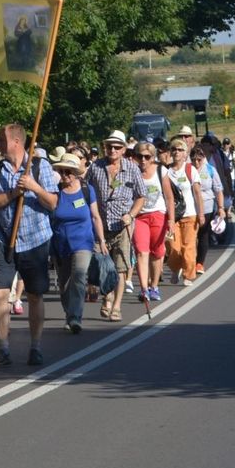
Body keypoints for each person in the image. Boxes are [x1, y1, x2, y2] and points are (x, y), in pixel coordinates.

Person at [0, 124, 60, 366]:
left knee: (35, 295)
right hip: (4, 239)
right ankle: (3, 348)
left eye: (1, 139)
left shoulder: (39, 166)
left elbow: (53, 203)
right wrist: (13, 194)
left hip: (35, 240)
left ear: (16, 142)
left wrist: (34, 187)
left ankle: (35, 346)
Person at [84, 130, 146, 322]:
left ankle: (116, 306)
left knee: (120, 268)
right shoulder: (95, 167)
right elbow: (86, 192)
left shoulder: (132, 168)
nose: (112, 149)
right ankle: (107, 296)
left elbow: (141, 196)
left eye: (117, 147)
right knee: (101, 266)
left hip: (122, 226)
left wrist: (131, 214)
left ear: (123, 149)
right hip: (100, 226)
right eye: (109, 146)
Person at [50, 153, 105, 333]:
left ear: (75, 172)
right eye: (62, 171)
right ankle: (69, 314)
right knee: (64, 284)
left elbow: (96, 217)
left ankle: (75, 318)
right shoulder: (55, 191)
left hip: (83, 243)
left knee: (79, 276)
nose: (65, 175)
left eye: (68, 171)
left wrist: (102, 241)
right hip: (60, 244)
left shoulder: (87, 190)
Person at [132, 140, 173, 302]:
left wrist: (171, 220)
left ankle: (154, 286)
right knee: (142, 251)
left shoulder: (160, 171)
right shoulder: (132, 171)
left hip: (158, 214)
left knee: (157, 252)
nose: (143, 160)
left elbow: (169, 197)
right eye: (139, 156)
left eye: (147, 157)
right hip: (140, 216)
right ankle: (143, 289)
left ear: (153, 157)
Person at [164, 137, 203, 287]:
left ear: (185, 153)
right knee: (173, 246)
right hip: (173, 216)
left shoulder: (190, 169)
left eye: (180, 150)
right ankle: (175, 268)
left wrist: (200, 214)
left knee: (189, 246)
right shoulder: (166, 172)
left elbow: (198, 193)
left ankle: (188, 274)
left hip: (190, 215)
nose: (177, 152)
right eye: (174, 149)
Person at [190, 144, 225, 275]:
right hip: (190, 209)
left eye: (199, 159)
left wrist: (221, 208)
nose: (196, 162)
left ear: (203, 158)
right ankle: (189, 261)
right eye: (193, 159)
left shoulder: (210, 170)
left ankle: (199, 263)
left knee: (203, 235)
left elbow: (218, 190)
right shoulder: (187, 170)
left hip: (207, 207)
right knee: (191, 236)